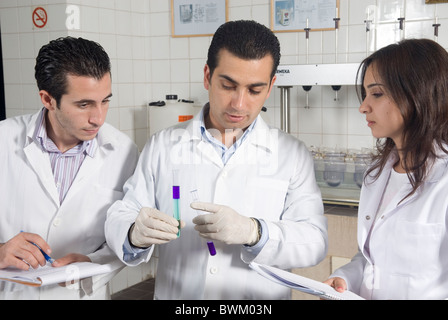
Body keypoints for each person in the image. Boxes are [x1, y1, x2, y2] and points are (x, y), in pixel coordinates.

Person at [105, 20, 327, 300]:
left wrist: (254, 231)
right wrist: (133, 233)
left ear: (271, 87)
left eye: (254, 90)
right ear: (208, 76)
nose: (239, 103)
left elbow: (314, 241)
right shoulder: (163, 145)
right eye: (228, 85)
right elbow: (123, 212)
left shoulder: (291, 154)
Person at [0, 37, 138, 299]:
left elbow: (125, 237)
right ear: (48, 99)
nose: (98, 117)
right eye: (84, 104)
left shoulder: (123, 151)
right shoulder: (3, 140)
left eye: (105, 101)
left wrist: (92, 260)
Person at [324, 38, 448, 300]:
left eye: (377, 94)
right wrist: (345, 278)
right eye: (366, 94)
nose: (363, 106)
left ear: (418, 93)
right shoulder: (377, 174)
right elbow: (374, 259)